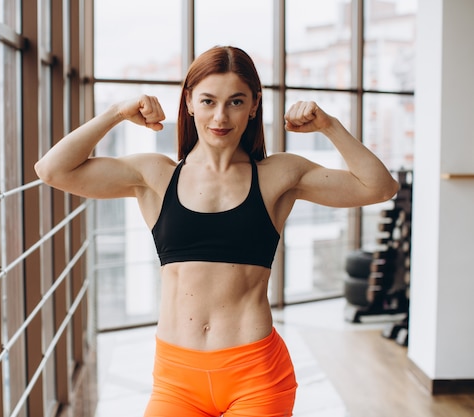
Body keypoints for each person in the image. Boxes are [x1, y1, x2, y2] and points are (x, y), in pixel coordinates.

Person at [35, 45, 399, 417]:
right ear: (189, 101)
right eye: (208, 101)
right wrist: (116, 113)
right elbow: (52, 170)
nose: (220, 116)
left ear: (255, 105)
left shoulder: (278, 175)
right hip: (176, 380)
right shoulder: (156, 175)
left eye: (236, 102)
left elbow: (379, 187)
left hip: (256, 376)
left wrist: (330, 127)